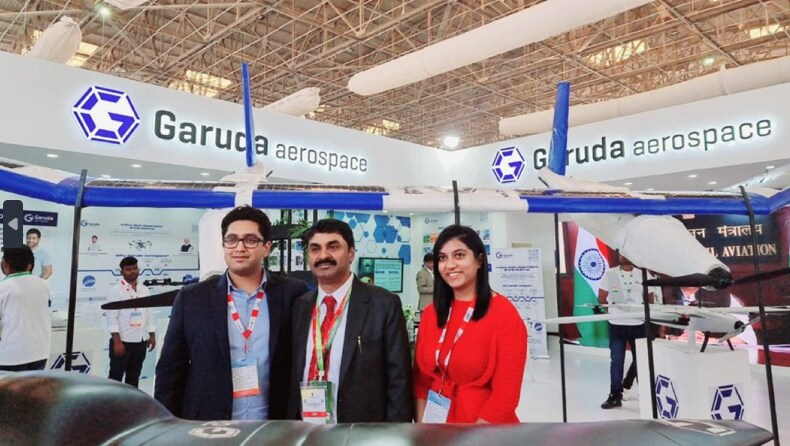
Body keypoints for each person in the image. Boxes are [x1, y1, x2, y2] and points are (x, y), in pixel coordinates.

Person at [155, 205, 308, 421]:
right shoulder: (192, 298)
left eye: (250, 240)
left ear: (266, 247)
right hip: (209, 424)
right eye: (231, 239)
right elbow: (171, 369)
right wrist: (165, 424)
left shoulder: (292, 293)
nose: (240, 247)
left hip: (273, 424)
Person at [288, 219, 414, 423]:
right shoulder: (300, 306)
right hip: (306, 428)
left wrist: (395, 434)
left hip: (361, 430)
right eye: (315, 249)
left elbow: (399, 380)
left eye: (333, 247)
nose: (323, 256)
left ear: (351, 253)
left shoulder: (383, 304)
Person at [413, 225, 527, 424]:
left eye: (459, 255)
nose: (449, 265)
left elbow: (505, 397)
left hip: (483, 429)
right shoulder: (431, 313)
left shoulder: (504, 314)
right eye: (442, 258)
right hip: (435, 426)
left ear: (479, 260)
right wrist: (424, 430)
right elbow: (421, 382)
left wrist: (474, 437)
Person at [598, 253, 654, 409]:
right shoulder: (610, 274)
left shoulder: (643, 274)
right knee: (617, 361)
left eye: (627, 253)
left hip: (638, 323)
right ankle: (615, 395)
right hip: (617, 323)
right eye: (621, 253)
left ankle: (646, 394)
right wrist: (613, 313)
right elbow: (601, 298)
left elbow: (650, 299)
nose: (624, 256)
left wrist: (643, 315)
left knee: (641, 359)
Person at [103, 256, 155, 388]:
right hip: (123, 341)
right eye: (128, 269)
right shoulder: (116, 290)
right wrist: (117, 341)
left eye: (135, 268)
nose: (132, 271)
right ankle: (111, 401)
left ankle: (131, 401)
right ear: (122, 272)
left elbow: (148, 312)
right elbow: (111, 317)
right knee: (115, 377)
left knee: (134, 376)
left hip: (140, 340)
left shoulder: (144, 289)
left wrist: (152, 334)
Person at [0, 246, 51, 371]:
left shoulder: (3, 288)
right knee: (34, 384)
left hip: (10, 355)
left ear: (5, 265)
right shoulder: (43, 285)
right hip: (40, 352)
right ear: (30, 266)